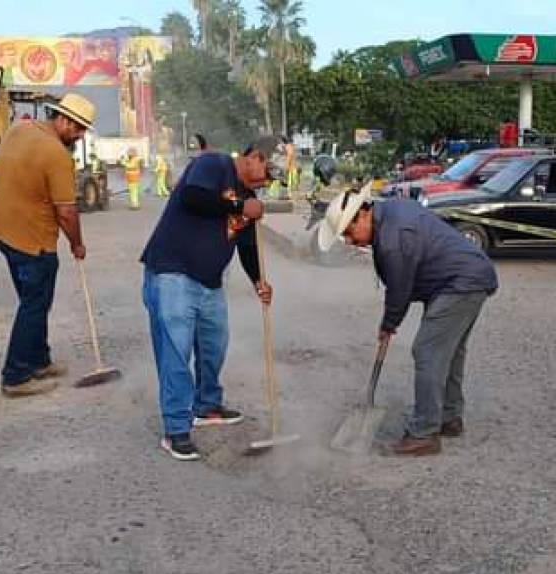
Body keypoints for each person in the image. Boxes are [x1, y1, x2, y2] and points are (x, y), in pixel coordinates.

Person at [318, 184, 498, 457]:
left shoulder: (393, 237)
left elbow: (400, 287)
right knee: (448, 351)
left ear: (363, 215)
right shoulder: (390, 210)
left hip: (459, 282)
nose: (350, 241)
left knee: (427, 350)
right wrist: (391, 321)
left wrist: (389, 324)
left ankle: (424, 433)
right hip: (463, 278)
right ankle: (448, 417)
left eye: (348, 232)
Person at [141, 135, 288, 461]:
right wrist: (238, 206)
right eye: (268, 171)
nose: (267, 182)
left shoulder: (250, 197)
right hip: (172, 273)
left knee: (214, 345)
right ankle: (176, 429)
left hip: (209, 282)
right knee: (176, 353)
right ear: (254, 156)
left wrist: (258, 281)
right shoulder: (214, 164)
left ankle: (206, 405)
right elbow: (194, 197)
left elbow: (247, 244)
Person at [0, 93, 96, 397]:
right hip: (32, 241)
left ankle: (38, 360)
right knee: (34, 304)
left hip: (3, 231)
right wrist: (78, 244)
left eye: (84, 129)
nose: (80, 135)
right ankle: (16, 375)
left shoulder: (19, 129)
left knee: (35, 300)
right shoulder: (57, 155)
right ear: (62, 119)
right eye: (78, 128)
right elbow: (67, 211)